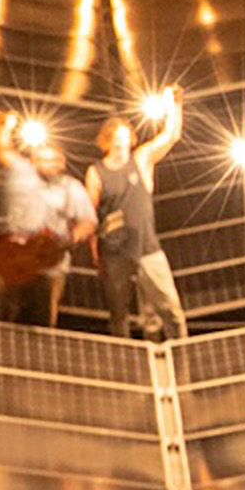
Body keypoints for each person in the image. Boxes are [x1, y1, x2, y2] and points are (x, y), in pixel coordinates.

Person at [89, 97, 188, 340]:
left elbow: (170, 135)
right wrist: (95, 254)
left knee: (169, 308)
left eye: (125, 137)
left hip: (147, 247)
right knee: (119, 313)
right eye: (116, 138)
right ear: (107, 141)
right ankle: (130, 364)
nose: (122, 143)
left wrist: (174, 106)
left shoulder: (141, 159)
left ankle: (182, 354)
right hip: (115, 252)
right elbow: (90, 216)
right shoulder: (96, 172)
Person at [0, 114, 95, 326]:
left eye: (55, 160)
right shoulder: (22, 173)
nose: (50, 165)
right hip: (15, 254)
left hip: (49, 260)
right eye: (44, 160)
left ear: (63, 163)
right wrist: (5, 127)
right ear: (33, 160)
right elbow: (4, 150)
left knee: (44, 315)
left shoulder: (71, 187)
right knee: (7, 309)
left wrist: (69, 240)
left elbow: (88, 221)